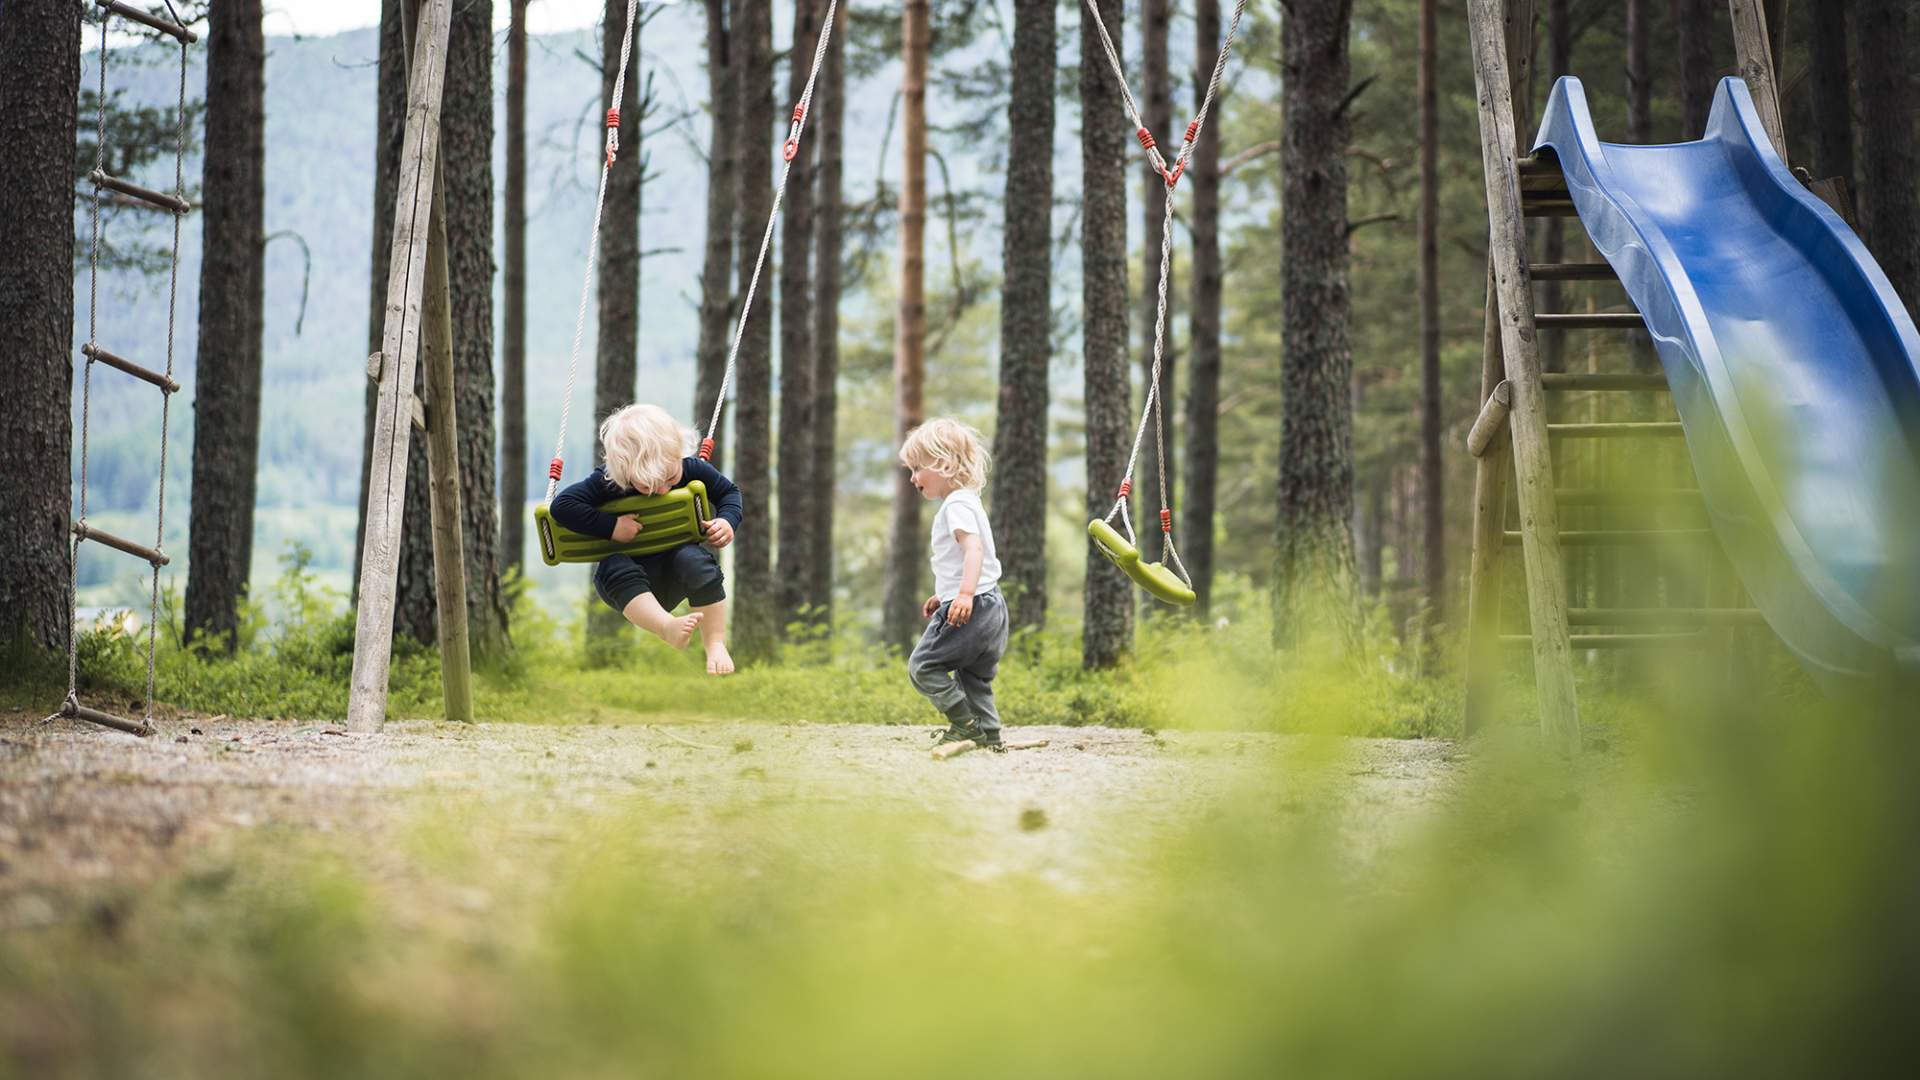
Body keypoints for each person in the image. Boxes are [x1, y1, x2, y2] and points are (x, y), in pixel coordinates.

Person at [550, 403, 741, 675]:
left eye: (671, 478)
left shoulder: (691, 468)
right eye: (648, 487)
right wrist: (612, 527)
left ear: (678, 452)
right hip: (630, 587)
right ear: (624, 473)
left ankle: (715, 643)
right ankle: (666, 627)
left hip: (677, 573)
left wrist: (727, 521)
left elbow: (729, 493)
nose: (663, 490)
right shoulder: (609, 482)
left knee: (694, 558)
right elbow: (562, 506)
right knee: (613, 564)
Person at [900, 418, 1008, 749]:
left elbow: (973, 550)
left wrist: (963, 595)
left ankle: (966, 724)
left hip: (973, 605)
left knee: (923, 666)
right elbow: (967, 560)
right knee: (973, 675)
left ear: (944, 464)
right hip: (991, 604)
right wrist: (944, 594)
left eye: (917, 468)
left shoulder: (956, 505)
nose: (913, 478)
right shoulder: (968, 500)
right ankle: (988, 732)